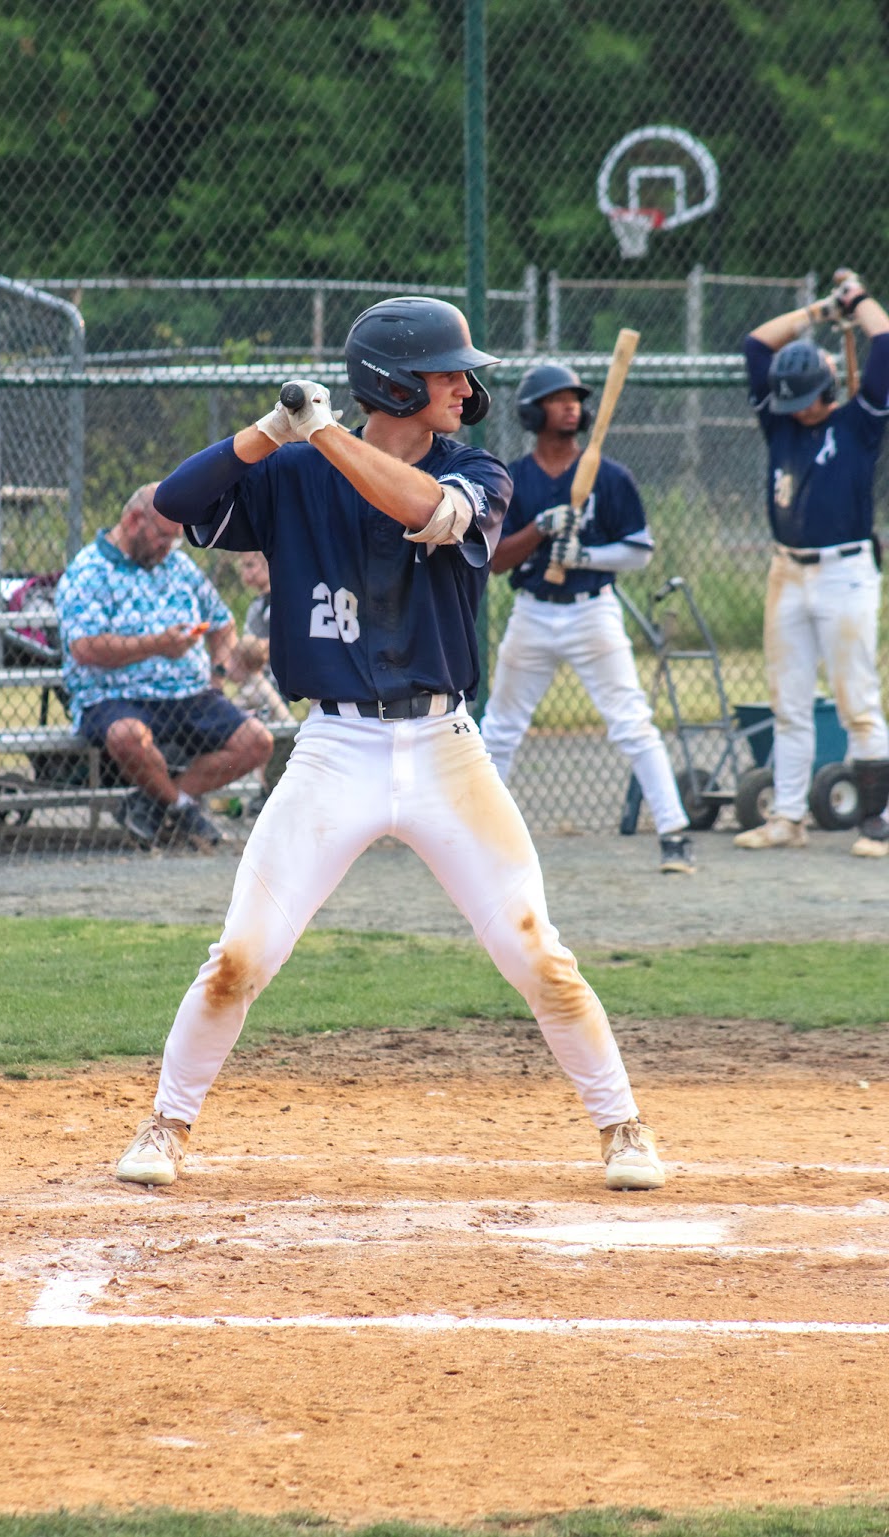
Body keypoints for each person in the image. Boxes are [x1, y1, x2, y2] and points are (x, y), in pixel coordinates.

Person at [113, 295, 665, 1194]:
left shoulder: (479, 469)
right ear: (394, 383)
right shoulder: (293, 471)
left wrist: (324, 434)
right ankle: (166, 1123)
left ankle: (624, 1126)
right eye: (445, 370)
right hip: (334, 748)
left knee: (536, 953)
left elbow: (433, 514)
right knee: (241, 956)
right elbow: (173, 501)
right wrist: (267, 433)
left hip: (446, 746)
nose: (463, 383)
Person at [479, 364, 695, 875]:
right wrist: (538, 529)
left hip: (593, 612)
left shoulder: (611, 475)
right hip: (531, 614)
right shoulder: (512, 478)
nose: (571, 405)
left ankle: (674, 833)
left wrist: (585, 556)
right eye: (557, 398)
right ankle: (481, 840)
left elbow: (639, 552)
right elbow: (493, 561)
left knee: (632, 724)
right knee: (500, 731)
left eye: (575, 397)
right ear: (534, 411)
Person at [734, 268, 889, 857]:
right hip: (786, 571)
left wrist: (861, 301)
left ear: (828, 387)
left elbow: (887, 341)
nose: (796, 410)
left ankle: (878, 820)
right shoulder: (779, 419)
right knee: (789, 701)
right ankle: (789, 817)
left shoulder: (860, 421)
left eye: (805, 401)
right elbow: (756, 344)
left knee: (856, 698)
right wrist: (823, 310)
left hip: (845, 571)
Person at [54, 482, 274, 851]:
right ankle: (182, 808)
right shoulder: (89, 571)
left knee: (257, 742)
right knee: (127, 736)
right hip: (113, 697)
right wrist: (158, 645)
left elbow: (222, 624)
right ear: (134, 520)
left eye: (175, 539)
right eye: (163, 536)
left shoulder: (178, 566)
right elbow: (85, 649)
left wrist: (218, 675)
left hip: (189, 693)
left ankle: (154, 803)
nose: (168, 547)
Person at [224, 550, 296, 725]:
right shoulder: (256, 605)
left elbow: (285, 642)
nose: (244, 572)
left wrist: (251, 647)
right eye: (242, 566)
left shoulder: (283, 600)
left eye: (250, 565)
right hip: (252, 681)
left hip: (274, 681)